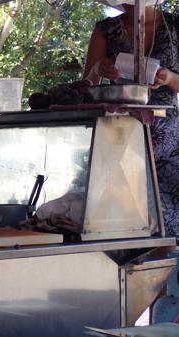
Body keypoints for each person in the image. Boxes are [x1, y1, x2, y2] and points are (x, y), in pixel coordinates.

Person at [83, 0, 179, 239]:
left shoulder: (174, 25)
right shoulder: (106, 29)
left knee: (171, 222)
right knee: (127, 221)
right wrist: (100, 69)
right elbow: (86, 86)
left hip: (169, 141)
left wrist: (169, 78)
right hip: (120, 137)